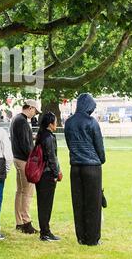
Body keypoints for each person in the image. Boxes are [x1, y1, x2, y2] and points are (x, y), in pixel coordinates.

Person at [64, 93, 106, 246]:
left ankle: (81, 236)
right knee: (93, 203)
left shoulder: (68, 123)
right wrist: (101, 159)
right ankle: (93, 238)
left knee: (78, 202)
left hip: (75, 167)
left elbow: (69, 143)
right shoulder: (91, 122)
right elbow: (99, 145)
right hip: (92, 167)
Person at [10, 99, 40, 234]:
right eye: (35, 111)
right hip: (24, 160)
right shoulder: (22, 122)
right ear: (30, 108)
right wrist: (34, 159)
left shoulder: (16, 119)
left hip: (18, 158)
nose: (35, 114)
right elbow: (25, 144)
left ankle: (20, 222)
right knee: (27, 192)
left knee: (21, 191)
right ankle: (26, 222)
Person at [35, 112, 62, 242]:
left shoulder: (41, 135)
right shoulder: (49, 137)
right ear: (50, 124)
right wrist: (56, 173)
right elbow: (52, 157)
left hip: (41, 174)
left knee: (42, 204)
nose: (57, 124)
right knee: (46, 204)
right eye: (55, 121)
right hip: (47, 174)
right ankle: (45, 232)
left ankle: (44, 231)